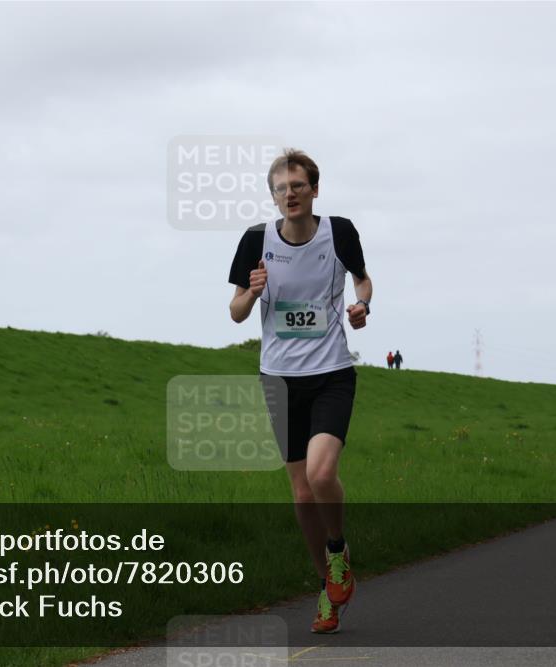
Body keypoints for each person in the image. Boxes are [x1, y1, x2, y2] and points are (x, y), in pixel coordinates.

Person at [228, 148, 372, 634]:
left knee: (320, 471)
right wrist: (251, 291)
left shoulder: (340, 231)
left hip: (332, 372)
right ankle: (330, 587)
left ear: (314, 189)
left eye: (298, 186)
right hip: (279, 379)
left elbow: (364, 281)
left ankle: (337, 549)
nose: (289, 194)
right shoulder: (256, 240)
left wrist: (360, 306)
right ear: (272, 196)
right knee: (301, 493)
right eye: (280, 188)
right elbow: (235, 311)